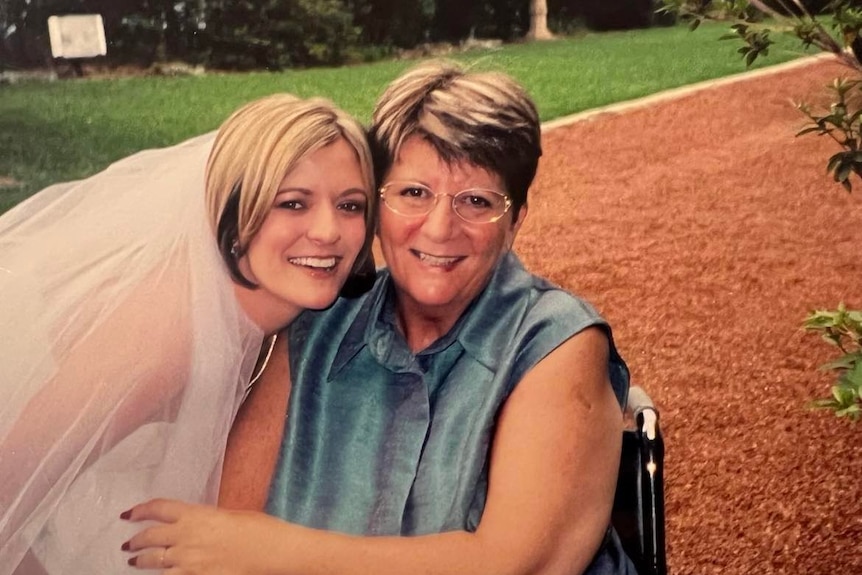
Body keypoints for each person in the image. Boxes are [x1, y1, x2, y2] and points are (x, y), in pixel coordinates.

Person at [122, 60, 636, 574]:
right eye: (413, 193)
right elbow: (231, 522)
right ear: (377, 206)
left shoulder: (557, 342)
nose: (439, 228)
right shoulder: (317, 322)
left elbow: (513, 564)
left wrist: (275, 551)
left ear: (514, 222)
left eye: (476, 201)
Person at [0, 93, 375, 574]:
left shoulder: (274, 310)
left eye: (349, 205)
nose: (327, 231)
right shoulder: (163, 334)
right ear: (236, 217)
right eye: (293, 203)